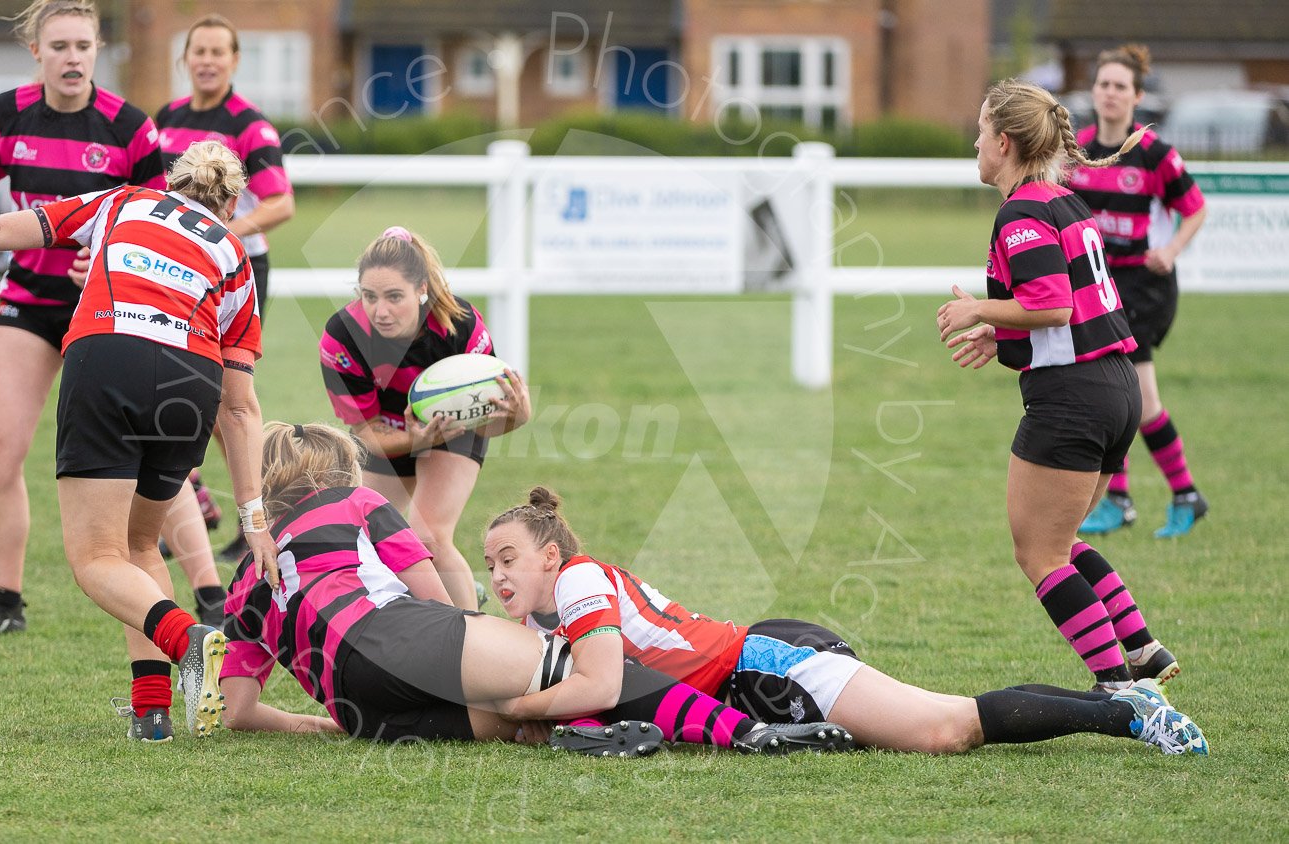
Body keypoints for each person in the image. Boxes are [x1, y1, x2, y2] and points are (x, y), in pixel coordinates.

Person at [0, 141, 278, 743]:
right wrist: (253, 516)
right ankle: (152, 714)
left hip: (109, 354)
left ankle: (187, 640)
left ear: (171, 182)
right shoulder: (234, 255)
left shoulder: (124, 202)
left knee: (96, 558)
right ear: (230, 202)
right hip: (188, 379)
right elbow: (242, 406)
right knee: (141, 544)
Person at [215, 423, 855, 756]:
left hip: (360, 710)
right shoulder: (352, 500)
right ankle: (749, 734)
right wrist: (477, 639)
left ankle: (577, 732)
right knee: (574, 669)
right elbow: (433, 599)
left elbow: (239, 712)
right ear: (339, 469)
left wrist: (322, 723)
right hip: (399, 638)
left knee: (510, 717)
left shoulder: (246, 574)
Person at [483, 487, 1207, 756]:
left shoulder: (577, 580)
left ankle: (1129, 715)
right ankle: (1123, 704)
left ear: (551, 555)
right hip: (749, 682)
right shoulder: (553, 619)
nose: (498, 576)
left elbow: (601, 682)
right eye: (489, 566)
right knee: (941, 727)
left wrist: (522, 705)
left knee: (944, 729)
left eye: (509, 557)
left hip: (763, 665)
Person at [938, 79, 1183, 691]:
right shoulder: (1064, 201)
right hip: (1116, 388)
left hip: (1072, 400)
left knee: (1040, 554)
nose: (974, 143)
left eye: (979, 131)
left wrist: (981, 312)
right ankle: (1141, 649)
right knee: (1062, 540)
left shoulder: (1021, 211)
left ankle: (1122, 694)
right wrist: (1002, 337)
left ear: (1004, 141)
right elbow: (1067, 312)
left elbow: (1050, 307)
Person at [0, 0, 166, 634]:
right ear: (36, 52)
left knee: (156, 458)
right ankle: (4, 603)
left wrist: (107, 263)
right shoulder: (6, 114)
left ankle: (188, 585)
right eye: (59, 46)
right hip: (30, 302)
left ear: (98, 51)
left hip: (112, 309)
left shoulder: (130, 128)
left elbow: (162, 229)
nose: (73, 58)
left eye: (83, 46)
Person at [320, 228, 532, 610]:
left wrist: (518, 416)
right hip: (389, 431)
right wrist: (415, 440)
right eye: (369, 296)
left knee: (428, 536)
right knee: (359, 538)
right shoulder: (342, 339)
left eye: (394, 297)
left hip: (454, 429)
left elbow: (491, 420)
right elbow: (367, 434)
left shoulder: (460, 325)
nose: (380, 310)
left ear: (421, 290)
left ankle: (474, 640)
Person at [155, 13, 297, 572]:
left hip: (236, 274)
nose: (208, 60)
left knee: (226, 405)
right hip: (172, 272)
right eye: (199, 51)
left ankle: (257, 516)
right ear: (185, 59)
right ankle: (190, 494)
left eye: (219, 52)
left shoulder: (250, 126)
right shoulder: (165, 120)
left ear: (235, 61)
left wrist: (213, 235)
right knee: (164, 379)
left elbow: (279, 204)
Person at [1072, 44, 1210, 539]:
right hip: (1099, 288)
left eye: (1119, 86)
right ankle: (1123, 499)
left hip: (1144, 288)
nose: (1109, 93)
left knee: (1140, 400)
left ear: (1136, 96)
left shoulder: (1155, 154)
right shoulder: (1079, 149)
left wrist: (1171, 250)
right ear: (1093, 91)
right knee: (1115, 394)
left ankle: (1183, 494)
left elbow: (1195, 208)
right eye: (1103, 84)